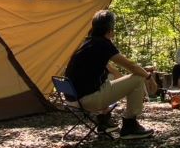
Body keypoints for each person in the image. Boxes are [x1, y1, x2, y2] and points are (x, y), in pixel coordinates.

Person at [64, 9, 157, 139]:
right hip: (88, 100)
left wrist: (122, 82)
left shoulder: (88, 43)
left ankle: (104, 120)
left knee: (109, 76)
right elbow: (131, 66)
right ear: (109, 29)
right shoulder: (103, 44)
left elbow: (109, 67)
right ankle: (130, 126)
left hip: (73, 99)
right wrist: (149, 77)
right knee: (137, 78)